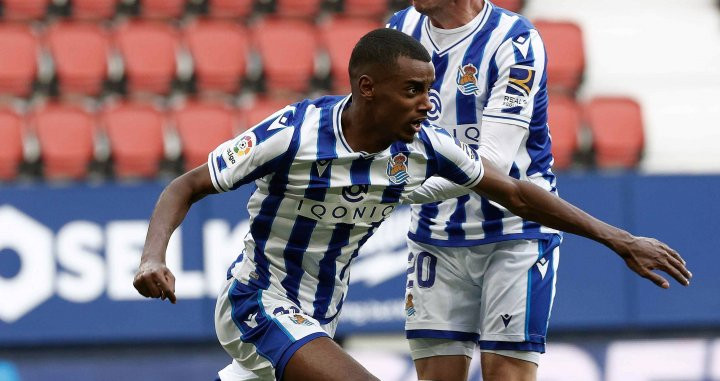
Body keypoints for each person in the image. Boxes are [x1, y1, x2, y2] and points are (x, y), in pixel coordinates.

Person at [133, 28, 690, 381]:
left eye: (430, 90)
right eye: (414, 91)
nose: (428, 104)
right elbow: (184, 186)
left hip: (318, 318)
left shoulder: (425, 149)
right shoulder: (295, 133)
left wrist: (619, 239)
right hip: (256, 302)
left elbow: (519, 193)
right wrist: (152, 257)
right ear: (368, 87)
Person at [387, 1, 671, 380]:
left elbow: (489, 167)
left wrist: (398, 192)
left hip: (514, 235)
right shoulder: (399, 27)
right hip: (434, 238)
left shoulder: (514, 41)